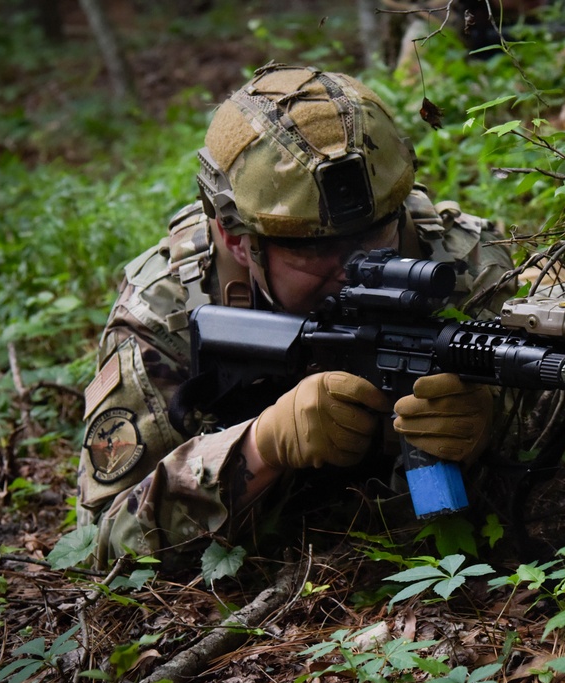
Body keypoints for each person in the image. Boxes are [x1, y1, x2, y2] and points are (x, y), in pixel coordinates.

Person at [77, 62, 516, 570]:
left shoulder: (462, 263)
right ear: (236, 240)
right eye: (316, 250)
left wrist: (493, 416)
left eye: (373, 236)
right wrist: (261, 447)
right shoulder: (165, 310)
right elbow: (105, 548)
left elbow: (560, 439)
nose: (352, 268)